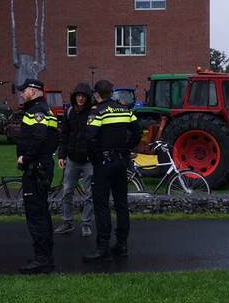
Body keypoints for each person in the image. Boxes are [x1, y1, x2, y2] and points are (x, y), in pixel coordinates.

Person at [83, 79, 142, 262]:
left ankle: (102, 247)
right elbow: (138, 131)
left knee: (101, 206)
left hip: (104, 163)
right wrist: (127, 148)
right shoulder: (125, 110)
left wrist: (96, 158)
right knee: (121, 205)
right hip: (121, 162)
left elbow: (90, 137)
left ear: (97, 94)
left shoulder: (98, 111)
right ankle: (122, 245)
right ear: (112, 92)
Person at [14, 78, 59, 274]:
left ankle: (42, 259)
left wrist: (26, 157)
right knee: (42, 212)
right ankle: (45, 256)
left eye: (24, 91)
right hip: (42, 165)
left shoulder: (36, 112)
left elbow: (39, 137)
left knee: (36, 214)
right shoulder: (45, 110)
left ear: (34, 91)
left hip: (36, 167)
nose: (22, 94)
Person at [54, 82, 94, 237]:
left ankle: (86, 224)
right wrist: (61, 156)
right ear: (74, 97)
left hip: (89, 161)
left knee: (89, 194)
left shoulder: (93, 113)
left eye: (84, 96)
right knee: (67, 191)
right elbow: (63, 136)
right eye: (78, 96)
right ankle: (67, 222)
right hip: (71, 159)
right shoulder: (69, 112)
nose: (81, 99)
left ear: (88, 98)